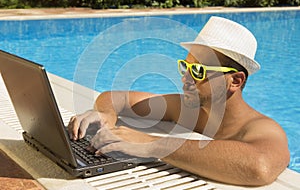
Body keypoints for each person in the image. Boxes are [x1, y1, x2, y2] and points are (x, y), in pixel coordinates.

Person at [68, 16, 290, 186]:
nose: (185, 77)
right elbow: (114, 98)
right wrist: (107, 115)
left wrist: (151, 144)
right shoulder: (187, 109)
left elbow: (260, 167)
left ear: (235, 81)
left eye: (199, 70)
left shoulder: (262, 129)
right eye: (186, 66)